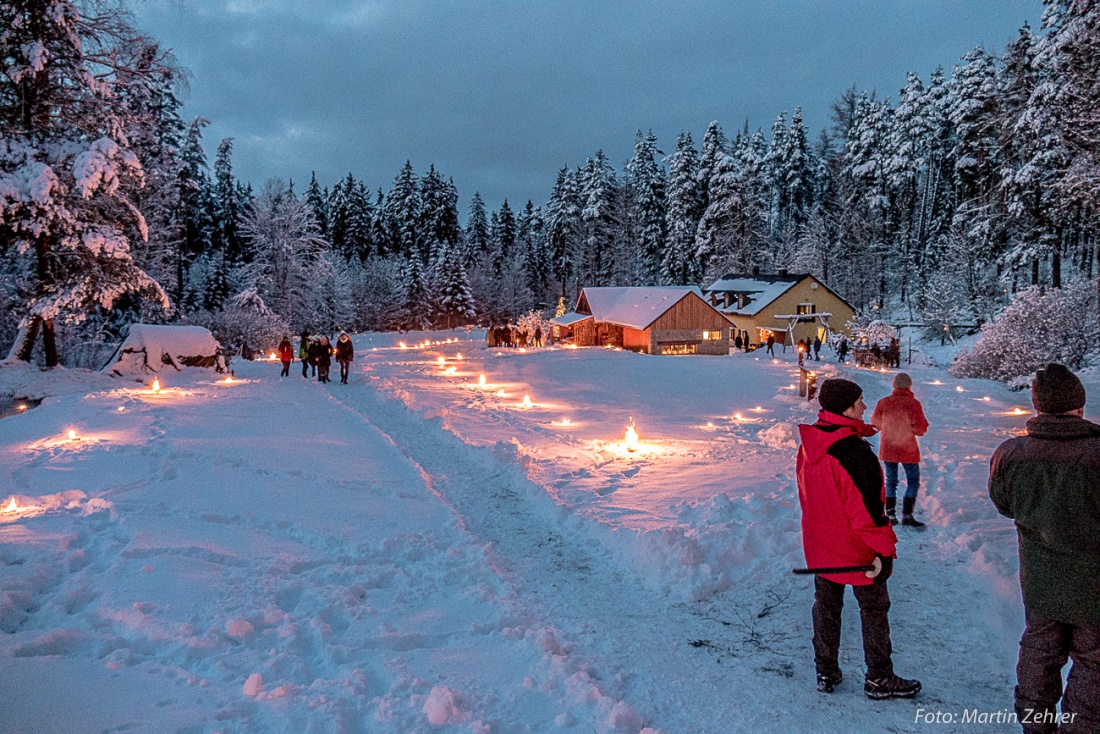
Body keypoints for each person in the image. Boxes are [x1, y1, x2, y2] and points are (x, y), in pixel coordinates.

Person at [989, 363, 1100, 733]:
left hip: (1039, 577)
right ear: (1079, 405)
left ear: (1037, 406)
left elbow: (1004, 504)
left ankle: (1035, 725)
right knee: (1093, 662)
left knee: (1039, 650)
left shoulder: (1012, 453)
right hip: (1093, 585)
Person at [797, 377, 921, 699]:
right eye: (860, 402)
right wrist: (885, 552)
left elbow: (809, 497)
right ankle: (879, 677)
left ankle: (826, 670)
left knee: (826, 608)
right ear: (847, 408)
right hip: (857, 551)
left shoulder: (810, 444)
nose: (865, 407)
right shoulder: (853, 453)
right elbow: (867, 513)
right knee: (874, 610)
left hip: (821, 546)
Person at [870, 373, 930, 527]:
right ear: (909, 385)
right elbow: (920, 429)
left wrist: (888, 429)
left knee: (891, 481)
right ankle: (907, 515)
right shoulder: (913, 404)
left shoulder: (884, 402)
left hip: (889, 447)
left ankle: (890, 513)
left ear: (894, 385)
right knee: (913, 481)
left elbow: (876, 423)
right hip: (907, 448)